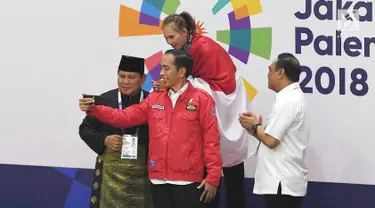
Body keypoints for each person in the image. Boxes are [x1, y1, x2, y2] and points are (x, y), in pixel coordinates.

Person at [79, 49, 223, 208]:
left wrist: (213, 177)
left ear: (181, 71)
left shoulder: (201, 99)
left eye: (166, 68)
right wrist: (94, 109)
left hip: (188, 181)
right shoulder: (154, 99)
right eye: (161, 68)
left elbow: (211, 140)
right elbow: (123, 117)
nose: (161, 73)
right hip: (157, 180)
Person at [152, 11, 259, 208]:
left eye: (171, 37)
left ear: (184, 32)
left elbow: (185, 81)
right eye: (166, 38)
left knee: (222, 165)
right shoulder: (192, 45)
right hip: (221, 99)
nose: (169, 42)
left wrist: (166, 85)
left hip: (226, 98)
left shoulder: (199, 49)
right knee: (225, 167)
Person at [78, 55, 152, 208]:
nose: (125, 82)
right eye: (121, 76)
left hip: (144, 174)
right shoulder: (105, 100)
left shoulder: (152, 101)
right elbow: (84, 129)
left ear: (143, 79)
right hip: (111, 174)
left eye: (131, 77)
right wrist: (104, 140)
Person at [239, 53, 309, 208]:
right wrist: (255, 129)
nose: (268, 75)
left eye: (270, 70)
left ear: (281, 72)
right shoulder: (290, 98)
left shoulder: (288, 101)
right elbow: (272, 138)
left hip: (282, 183)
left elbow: (271, 141)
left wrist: (256, 126)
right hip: (282, 182)